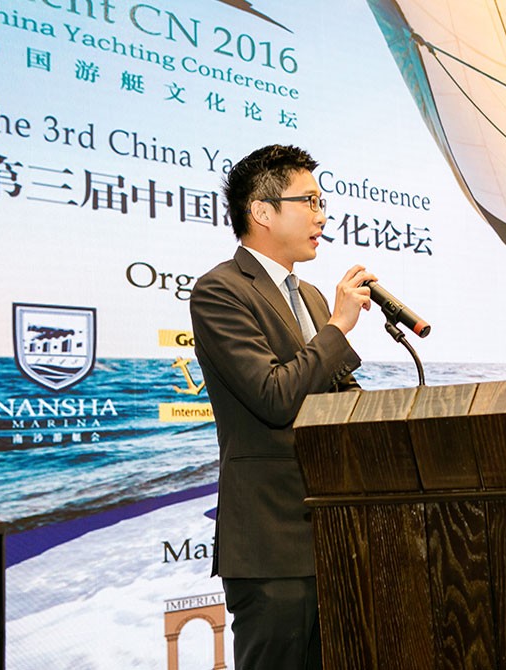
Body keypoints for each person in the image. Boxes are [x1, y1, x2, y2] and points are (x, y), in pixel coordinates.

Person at [190, 144, 375, 670]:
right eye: (309, 201)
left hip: (332, 531)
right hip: (270, 541)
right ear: (262, 212)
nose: (322, 216)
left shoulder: (311, 295)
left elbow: (337, 397)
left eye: (322, 202)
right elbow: (273, 396)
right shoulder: (221, 291)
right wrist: (338, 327)